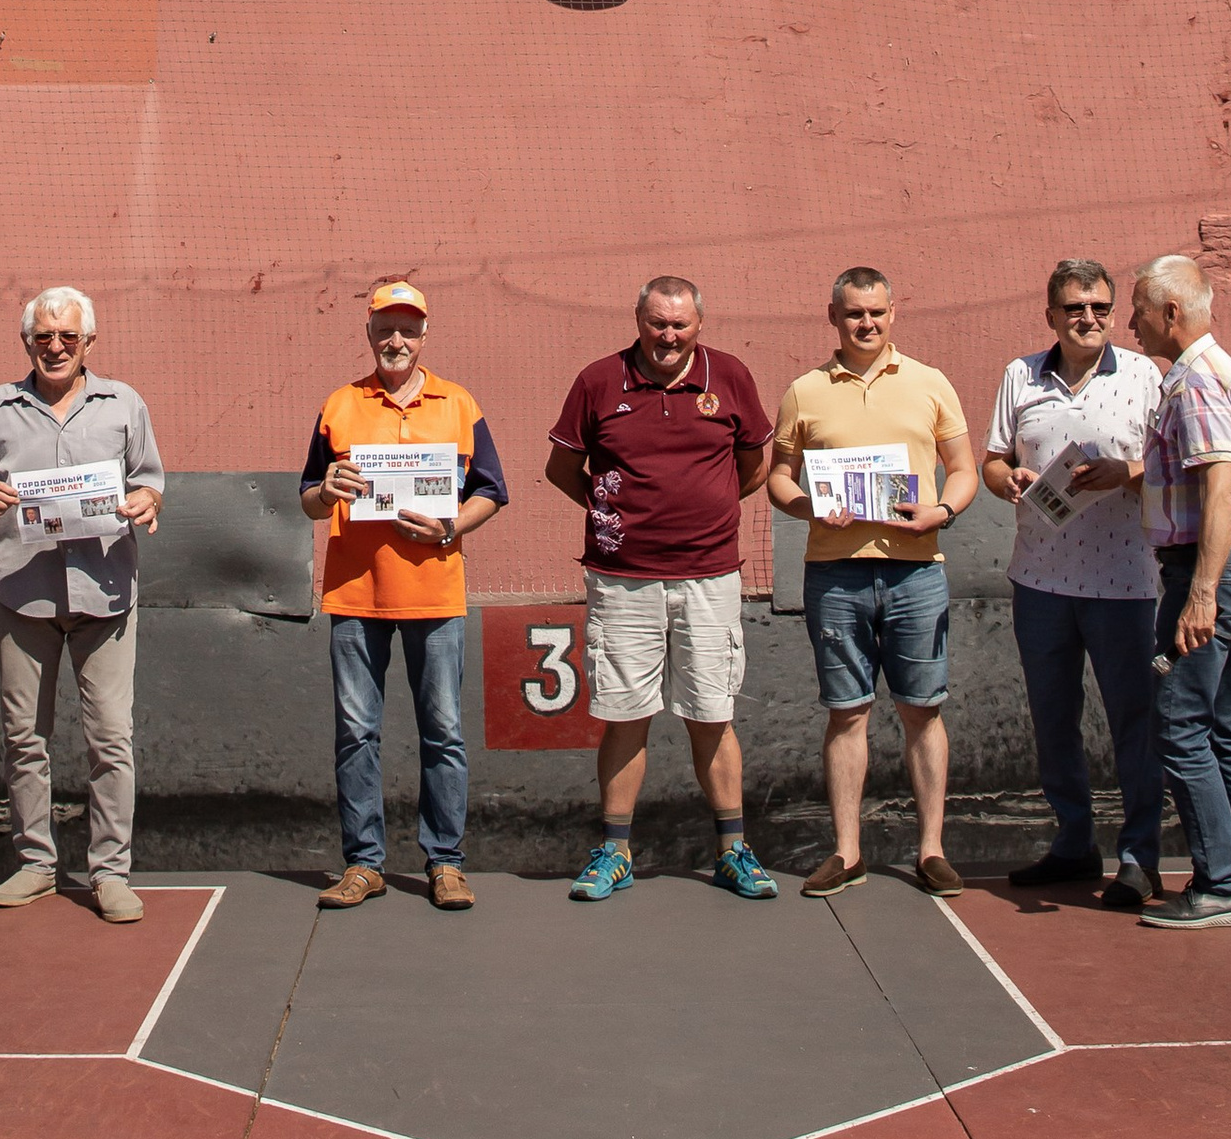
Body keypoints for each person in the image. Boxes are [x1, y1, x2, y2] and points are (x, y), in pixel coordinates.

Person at [545, 275, 777, 902]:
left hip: (710, 578)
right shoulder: (598, 381)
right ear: (638, 319)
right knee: (626, 717)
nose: (668, 336)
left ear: (699, 324)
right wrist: (607, 510)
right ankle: (614, 851)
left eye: (680, 324)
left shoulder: (730, 376)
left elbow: (753, 465)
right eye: (657, 323)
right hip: (622, 583)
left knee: (713, 714)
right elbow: (562, 468)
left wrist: (710, 507)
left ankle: (734, 851)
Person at [767, 267, 977, 901]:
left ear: (894, 313)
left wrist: (941, 512)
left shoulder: (930, 383)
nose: (867, 324)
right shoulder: (804, 391)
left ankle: (932, 850)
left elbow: (963, 469)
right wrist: (807, 506)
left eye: (878, 313)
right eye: (855, 313)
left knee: (922, 710)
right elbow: (779, 478)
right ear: (833, 315)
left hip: (917, 571)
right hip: (835, 574)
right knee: (847, 711)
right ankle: (847, 851)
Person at [299, 280, 507, 913]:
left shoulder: (459, 403)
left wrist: (450, 527)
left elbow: (491, 490)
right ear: (368, 334)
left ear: (424, 335)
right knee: (356, 732)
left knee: (442, 731)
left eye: (408, 329)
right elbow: (308, 495)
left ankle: (445, 863)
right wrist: (327, 487)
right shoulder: (339, 404)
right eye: (385, 328)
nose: (397, 339)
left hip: (436, 593)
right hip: (355, 595)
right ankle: (364, 864)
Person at [0, 288, 164, 924]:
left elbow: (150, 480)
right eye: (42, 337)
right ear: (27, 343)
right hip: (22, 596)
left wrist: (147, 502)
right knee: (25, 737)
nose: (54, 347)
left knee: (111, 739)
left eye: (67, 338)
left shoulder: (123, 403)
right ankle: (35, 864)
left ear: (88, 344)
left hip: (105, 595)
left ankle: (110, 872)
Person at [981, 259, 1166, 911]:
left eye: (1099, 308)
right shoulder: (1019, 376)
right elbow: (994, 459)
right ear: (1051, 315)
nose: (1088, 318)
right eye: (1074, 308)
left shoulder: (1145, 376)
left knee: (1134, 724)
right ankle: (1073, 841)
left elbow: (1172, 463)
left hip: (1126, 582)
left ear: (1113, 314)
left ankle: (1140, 857)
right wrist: (1005, 480)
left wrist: (1128, 472)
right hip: (1040, 581)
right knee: (1054, 720)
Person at [1129, 253, 1231, 930]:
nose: (1130, 323)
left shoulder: (1192, 385)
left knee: (1182, 726)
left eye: (1136, 309)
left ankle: (1220, 885)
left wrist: (1201, 594)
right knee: (1229, 724)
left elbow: (1221, 483)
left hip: (1208, 571)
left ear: (1170, 313)